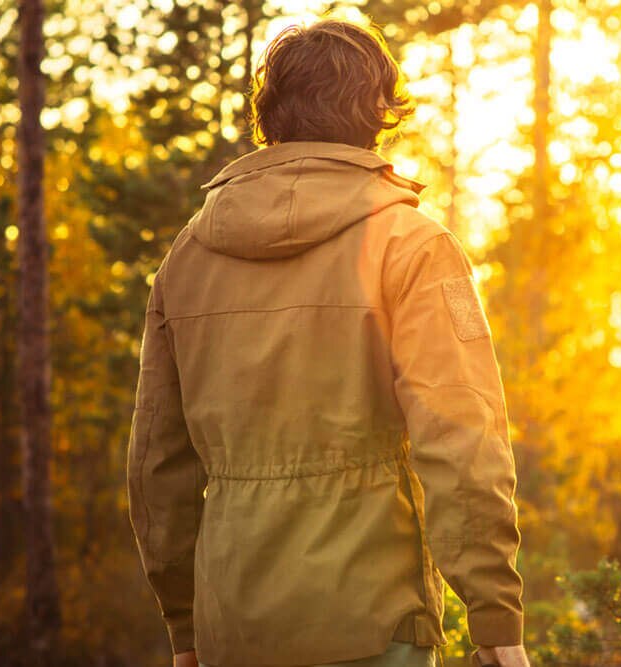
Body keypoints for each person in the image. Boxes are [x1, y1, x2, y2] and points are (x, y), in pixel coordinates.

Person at [125, 15, 529, 667]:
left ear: (271, 115)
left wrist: (185, 624)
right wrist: (496, 620)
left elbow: (155, 462)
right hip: (372, 626)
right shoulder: (415, 245)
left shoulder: (188, 257)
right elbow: (461, 438)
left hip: (233, 624)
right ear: (378, 109)